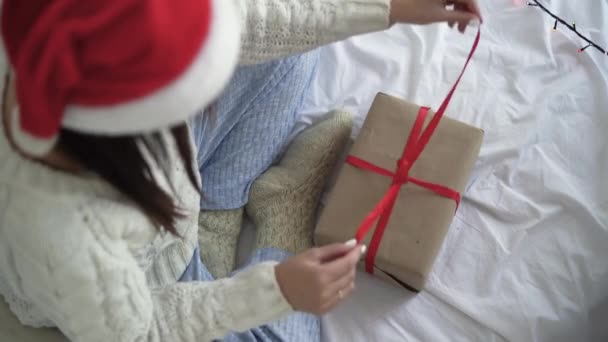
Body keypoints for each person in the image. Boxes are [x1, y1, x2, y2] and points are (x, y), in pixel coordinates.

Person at [0, 0, 481, 341]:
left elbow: (238, 21)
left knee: (293, 45)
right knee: (287, 329)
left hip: (162, 190)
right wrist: (275, 290)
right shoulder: (74, 244)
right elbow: (145, 330)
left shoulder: (49, 34)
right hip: (142, 281)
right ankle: (282, 218)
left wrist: (388, 8)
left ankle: (220, 217)